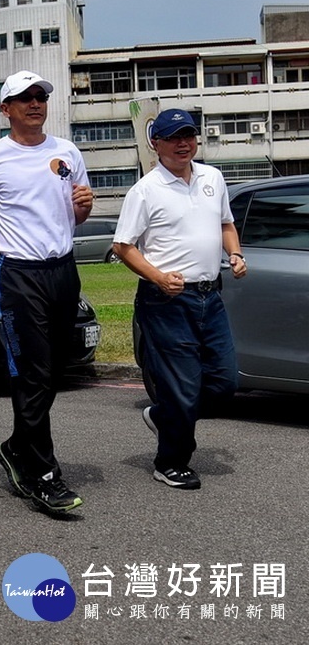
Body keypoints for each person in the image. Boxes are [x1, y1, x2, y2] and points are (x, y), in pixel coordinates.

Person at [0, 70, 94, 516]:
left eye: (40, 96)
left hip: (62, 270)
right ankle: (41, 474)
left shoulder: (67, 152)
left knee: (52, 371)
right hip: (18, 274)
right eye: (24, 97)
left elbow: (78, 212)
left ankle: (17, 446)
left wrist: (84, 208)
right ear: (5, 108)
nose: (35, 103)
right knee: (33, 373)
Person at [111, 108, 246, 491]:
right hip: (165, 300)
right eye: (173, 137)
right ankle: (170, 461)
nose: (183, 143)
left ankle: (164, 413)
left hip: (210, 296)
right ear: (156, 144)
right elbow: (123, 246)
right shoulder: (145, 190)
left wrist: (234, 253)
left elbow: (225, 223)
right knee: (184, 389)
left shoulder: (212, 178)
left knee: (223, 383)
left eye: (189, 135)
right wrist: (157, 277)